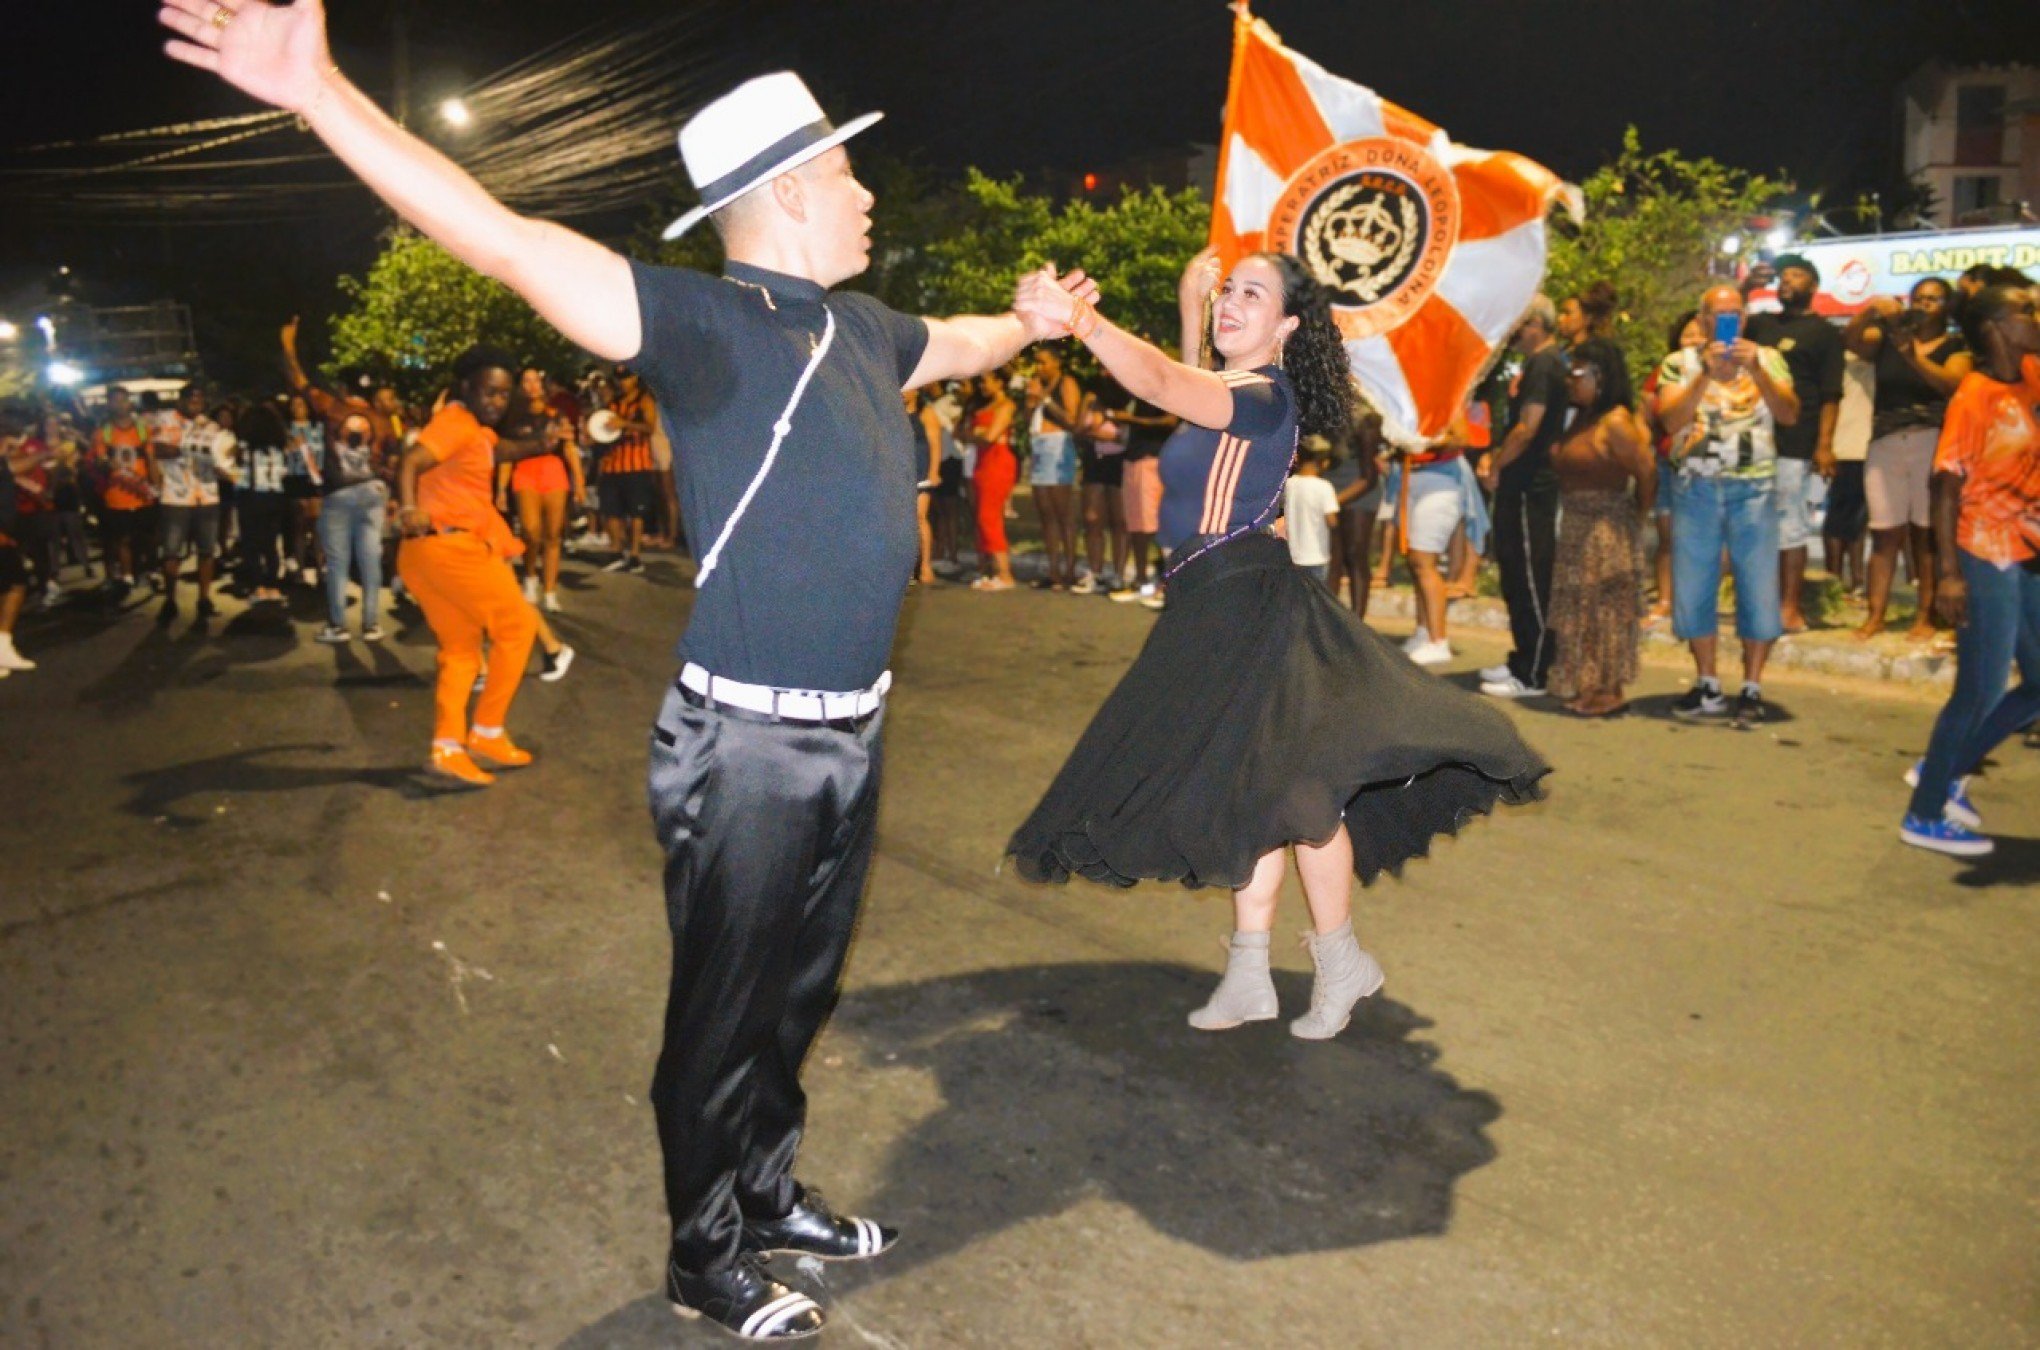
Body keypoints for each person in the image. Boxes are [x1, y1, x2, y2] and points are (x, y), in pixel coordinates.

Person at [164, 11, 1089, 1332]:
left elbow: (973, 340)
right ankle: (704, 1255)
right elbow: (501, 237)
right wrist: (321, 96)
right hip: (750, 745)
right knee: (724, 1009)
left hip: (852, 735)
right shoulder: (702, 322)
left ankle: (767, 1193)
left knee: (799, 988)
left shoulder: (871, 332)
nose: (867, 189)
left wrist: (1033, 318)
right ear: (779, 189)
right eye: (844, 171)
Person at [1006, 246, 1547, 1042]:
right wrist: (1194, 311)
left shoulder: (1265, 395)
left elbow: (1160, 385)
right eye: (1231, 289)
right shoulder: (1228, 389)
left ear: (1287, 325)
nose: (1233, 300)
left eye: (1250, 295)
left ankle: (1341, 962)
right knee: (1247, 792)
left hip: (1248, 604)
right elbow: (1188, 398)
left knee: (1299, 794)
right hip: (1207, 604)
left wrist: (1081, 320)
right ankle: (1251, 973)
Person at [1898, 282, 2040, 857]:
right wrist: (1948, 575)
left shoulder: (2031, 374)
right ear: (1996, 329)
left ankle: (1945, 767)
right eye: (2026, 310)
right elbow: (1946, 489)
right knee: (1978, 688)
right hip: (1984, 550)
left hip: (2026, 547)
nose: (2035, 315)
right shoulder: (1973, 397)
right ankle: (1925, 812)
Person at [389, 347, 550, 785]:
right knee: (517, 627)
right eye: (489, 392)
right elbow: (411, 461)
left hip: (426, 555)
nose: (497, 402)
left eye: (503, 394)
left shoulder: (474, 431)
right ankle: (486, 730)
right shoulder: (456, 421)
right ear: (465, 388)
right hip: (453, 550)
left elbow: (499, 452)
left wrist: (544, 444)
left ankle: (448, 748)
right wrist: (407, 507)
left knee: (461, 651)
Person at [1655, 283, 1800, 723]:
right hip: (1695, 488)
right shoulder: (1678, 363)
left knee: (1758, 588)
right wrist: (1704, 373)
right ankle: (1709, 685)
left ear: (1746, 317)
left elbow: (1791, 414)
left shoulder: (1769, 358)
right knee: (1693, 587)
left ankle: (1752, 687)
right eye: (1718, 314)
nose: (1727, 321)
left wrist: (1755, 369)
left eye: (1735, 314)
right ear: (1701, 318)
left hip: (1753, 488)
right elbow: (1669, 419)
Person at [1845, 276, 1973, 639]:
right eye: (1919, 298)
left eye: (1933, 299)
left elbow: (1951, 384)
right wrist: (1870, 310)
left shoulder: (1955, 346)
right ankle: (1875, 615)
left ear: (1946, 307)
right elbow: (1850, 341)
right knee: (1884, 534)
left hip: (1931, 439)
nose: (1925, 304)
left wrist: (1911, 355)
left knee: (1926, 534)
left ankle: (1925, 616)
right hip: (1885, 440)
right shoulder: (1887, 339)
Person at [1547, 338, 1655, 716]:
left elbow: (1646, 472)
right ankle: (1587, 684)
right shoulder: (1582, 416)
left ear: (1600, 377)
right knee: (1580, 609)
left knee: (1604, 611)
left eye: (1577, 374)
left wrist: (1636, 520)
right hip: (1576, 523)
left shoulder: (1617, 423)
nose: (1570, 381)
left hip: (1605, 528)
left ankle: (1609, 690)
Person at [1745, 253, 1845, 633]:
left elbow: (1831, 393)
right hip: (1753, 438)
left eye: (1797, 275)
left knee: (1790, 527)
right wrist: (1746, 287)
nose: (1787, 280)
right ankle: (1759, 602)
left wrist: (1823, 444)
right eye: (1783, 275)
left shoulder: (1823, 332)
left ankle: (1790, 607)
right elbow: (1721, 326)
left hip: (1796, 441)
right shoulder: (1760, 324)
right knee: (1753, 526)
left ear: (1814, 287)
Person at [1479, 296, 1567, 698]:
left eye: (1517, 321)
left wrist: (1497, 463)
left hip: (1533, 486)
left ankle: (1534, 673)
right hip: (1520, 485)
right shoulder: (1536, 363)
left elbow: (1528, 428)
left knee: (1532, 578)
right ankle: (1523, 657)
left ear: (1535, 323)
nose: (1512, 329)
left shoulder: (1546, 363)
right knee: (1516, 575)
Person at [1385, 406, 1490, 667]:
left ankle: (1438, 641)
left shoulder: (1446, 400)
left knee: (1424, 561)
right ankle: (1423, 632)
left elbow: (1461, 438)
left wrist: (1425, 441)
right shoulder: (1407, 402)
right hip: (1411, 478)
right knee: (1414, 562)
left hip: (1442, 481)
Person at [151, 383, 238, 624]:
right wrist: (191, 447)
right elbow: (159, 449)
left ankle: (204, 599)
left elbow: (222, 455)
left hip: (207, 494)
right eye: (190, 396)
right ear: (180, 399)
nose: (195, 400)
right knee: (171, 552)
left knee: (207, 551)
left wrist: (227, 463)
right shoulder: (166, 418)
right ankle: (170, 599)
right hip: (176, 496)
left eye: (199, 397)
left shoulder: (212, 426)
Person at [500, 366, 583, 611]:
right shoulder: (512, 417)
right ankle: (530, 576)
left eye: (536, 380)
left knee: (553, 534)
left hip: (553, 470)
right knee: (530, 530)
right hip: (525, 470)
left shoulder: (556, 414)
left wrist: (579, 481)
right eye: (526, 381)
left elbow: (569, 448)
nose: (532, 385)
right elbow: (506, 454)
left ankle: (550, 590)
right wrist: (501, 490)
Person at [311, 406, 388, 645]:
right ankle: (371, 624)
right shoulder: (376, 455)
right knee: (370, 562)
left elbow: (332, 478)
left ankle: (338, 625)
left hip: (339, 501)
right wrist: (372, 478)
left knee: (338, 563)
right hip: (371, 498)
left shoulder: (331, 449)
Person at [1022, 350, 1080, 589]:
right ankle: (1053, 570)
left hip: (1058, 447)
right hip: (1038, 447)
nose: (1039, 367)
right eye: (1036, 363)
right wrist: (1031, 400)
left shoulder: (1066, 383)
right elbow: (1027, 420)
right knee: (1046, 515)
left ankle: (1070, 570)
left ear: (1056, 362)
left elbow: (1072, 420)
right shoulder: (1037, 385)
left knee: (1062, 513)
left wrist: (1045, 398)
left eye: (1043, 362)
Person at [88, 386, 155, 597]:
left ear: (130, 402)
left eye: (122, 400)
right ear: (108, 404)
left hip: (142, 491)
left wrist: (155, 485)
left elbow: (151, 459)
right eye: (114, 400)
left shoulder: (143, 429)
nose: (119, 404)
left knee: (144, 537)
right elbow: (99, 461)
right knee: (121, 537)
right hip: (116, 493)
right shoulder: (103, 432)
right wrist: (107, 464)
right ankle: (127, 575)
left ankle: (144, 570)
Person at [1321, 406, 1383, 618]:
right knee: (1332, 557)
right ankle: (1330, 619)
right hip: (1329, 488)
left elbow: (1369, 477)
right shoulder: (1323, 410)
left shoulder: (1365, 419)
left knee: (1355, 553)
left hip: (1359, 489)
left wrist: (1333, 501)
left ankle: (1358, 621)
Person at [598, 366, 659, 575]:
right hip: (612, 463)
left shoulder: (644, 400)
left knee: (636, 512)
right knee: (611, 510)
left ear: (635, 378)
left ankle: (634, 555)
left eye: (627, 378)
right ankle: (616, 551)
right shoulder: (613, 403)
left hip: (636, 464)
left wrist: (624, 424)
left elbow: (650, 427)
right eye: (619, 378)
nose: (623, 382)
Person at [233, 401, 295, 602]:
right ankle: (273, 586)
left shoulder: (244, 447)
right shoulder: (278, 447)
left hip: (251, 496)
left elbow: (237, 469)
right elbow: (285, 472)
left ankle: (258, 585)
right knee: (270, 544)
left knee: (251, 543)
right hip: (275, 497)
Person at [961, 369, 1017, 590]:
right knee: (983, 516)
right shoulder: (985, 406)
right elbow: (967, 434)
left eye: (986, 381)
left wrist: (977, 433)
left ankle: (1005, 575)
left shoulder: (1007, 406)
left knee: (988, 516)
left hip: (998, 462)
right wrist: (979, 433)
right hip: (983, 462)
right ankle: (991, 570)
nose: (982, 386)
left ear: (1000, 382)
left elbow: (989, 437)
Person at [1281, 438, 1339, 582]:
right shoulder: (1324, 487)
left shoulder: (1289, 485)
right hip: (1316, 556)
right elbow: (1332, 521)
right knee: (1314, 599)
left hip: (1293, 555)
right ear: (1324, 462)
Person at [904, 385, 945, 584]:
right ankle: (907, 568)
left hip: (920, 473)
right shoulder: (894, 412)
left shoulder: (926, 413)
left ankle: (925, 566)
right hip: (901, 473)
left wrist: (934, 471)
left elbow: (935, 444)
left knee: (920, 518)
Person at [283, 392, 324, 583]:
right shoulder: (286, 430)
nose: (297, 407)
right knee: (298, 526)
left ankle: (320, 568)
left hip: (315, 479)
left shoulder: (318, 428)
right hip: (295, 479)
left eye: (301, 404)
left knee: (317, 526)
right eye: (294, 404)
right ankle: (298, 570)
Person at [1557, 279, 1618, 349]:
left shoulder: (1597, 354)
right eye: (1561, 312)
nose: (1560, 318)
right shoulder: (1562, 350)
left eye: (1568, 313)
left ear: (1588, 318)